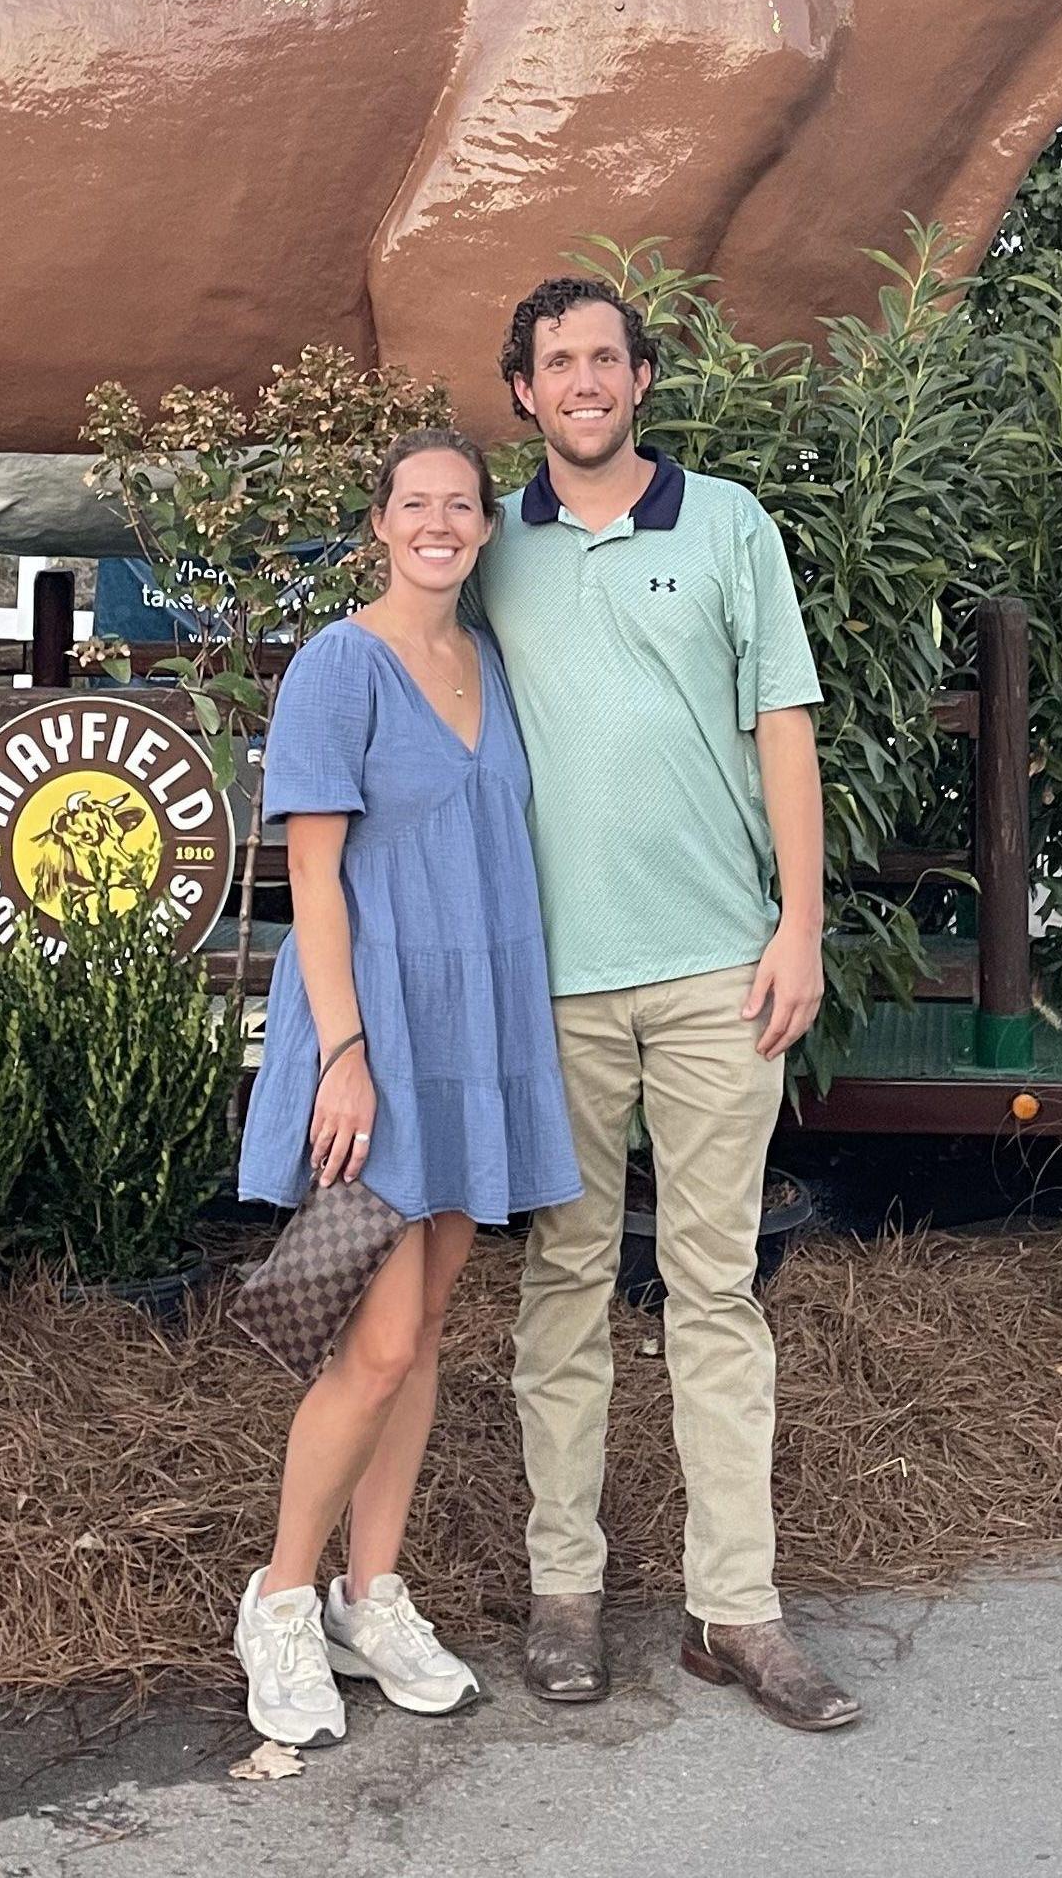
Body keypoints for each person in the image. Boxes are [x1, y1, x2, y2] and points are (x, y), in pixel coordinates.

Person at [479, 275, 861, 1734]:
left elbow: (784, 727)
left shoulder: (730, 525)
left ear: (643, 380)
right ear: (525, 392)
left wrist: (799, 928)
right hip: (554, 982)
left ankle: (736, 1612)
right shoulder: (488, 549)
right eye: (556, 361)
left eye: (606, 358)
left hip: (718, 970)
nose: (583, 381)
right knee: (564, 1284)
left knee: (716, 1291)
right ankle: (564, 1594)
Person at [232, 425, 583, 1748]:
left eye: (462, 505)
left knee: (425, 1331)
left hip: (472, 1034)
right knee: (373, 1344)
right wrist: (343, 1054)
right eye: (415, 503)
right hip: (375, 1037)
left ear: (486, 529)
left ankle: (369, 1597)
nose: (439, 522)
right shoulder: (342, 664)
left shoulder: (486, 660)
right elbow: (314, 878)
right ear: (380, 523)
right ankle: (279, 1598)